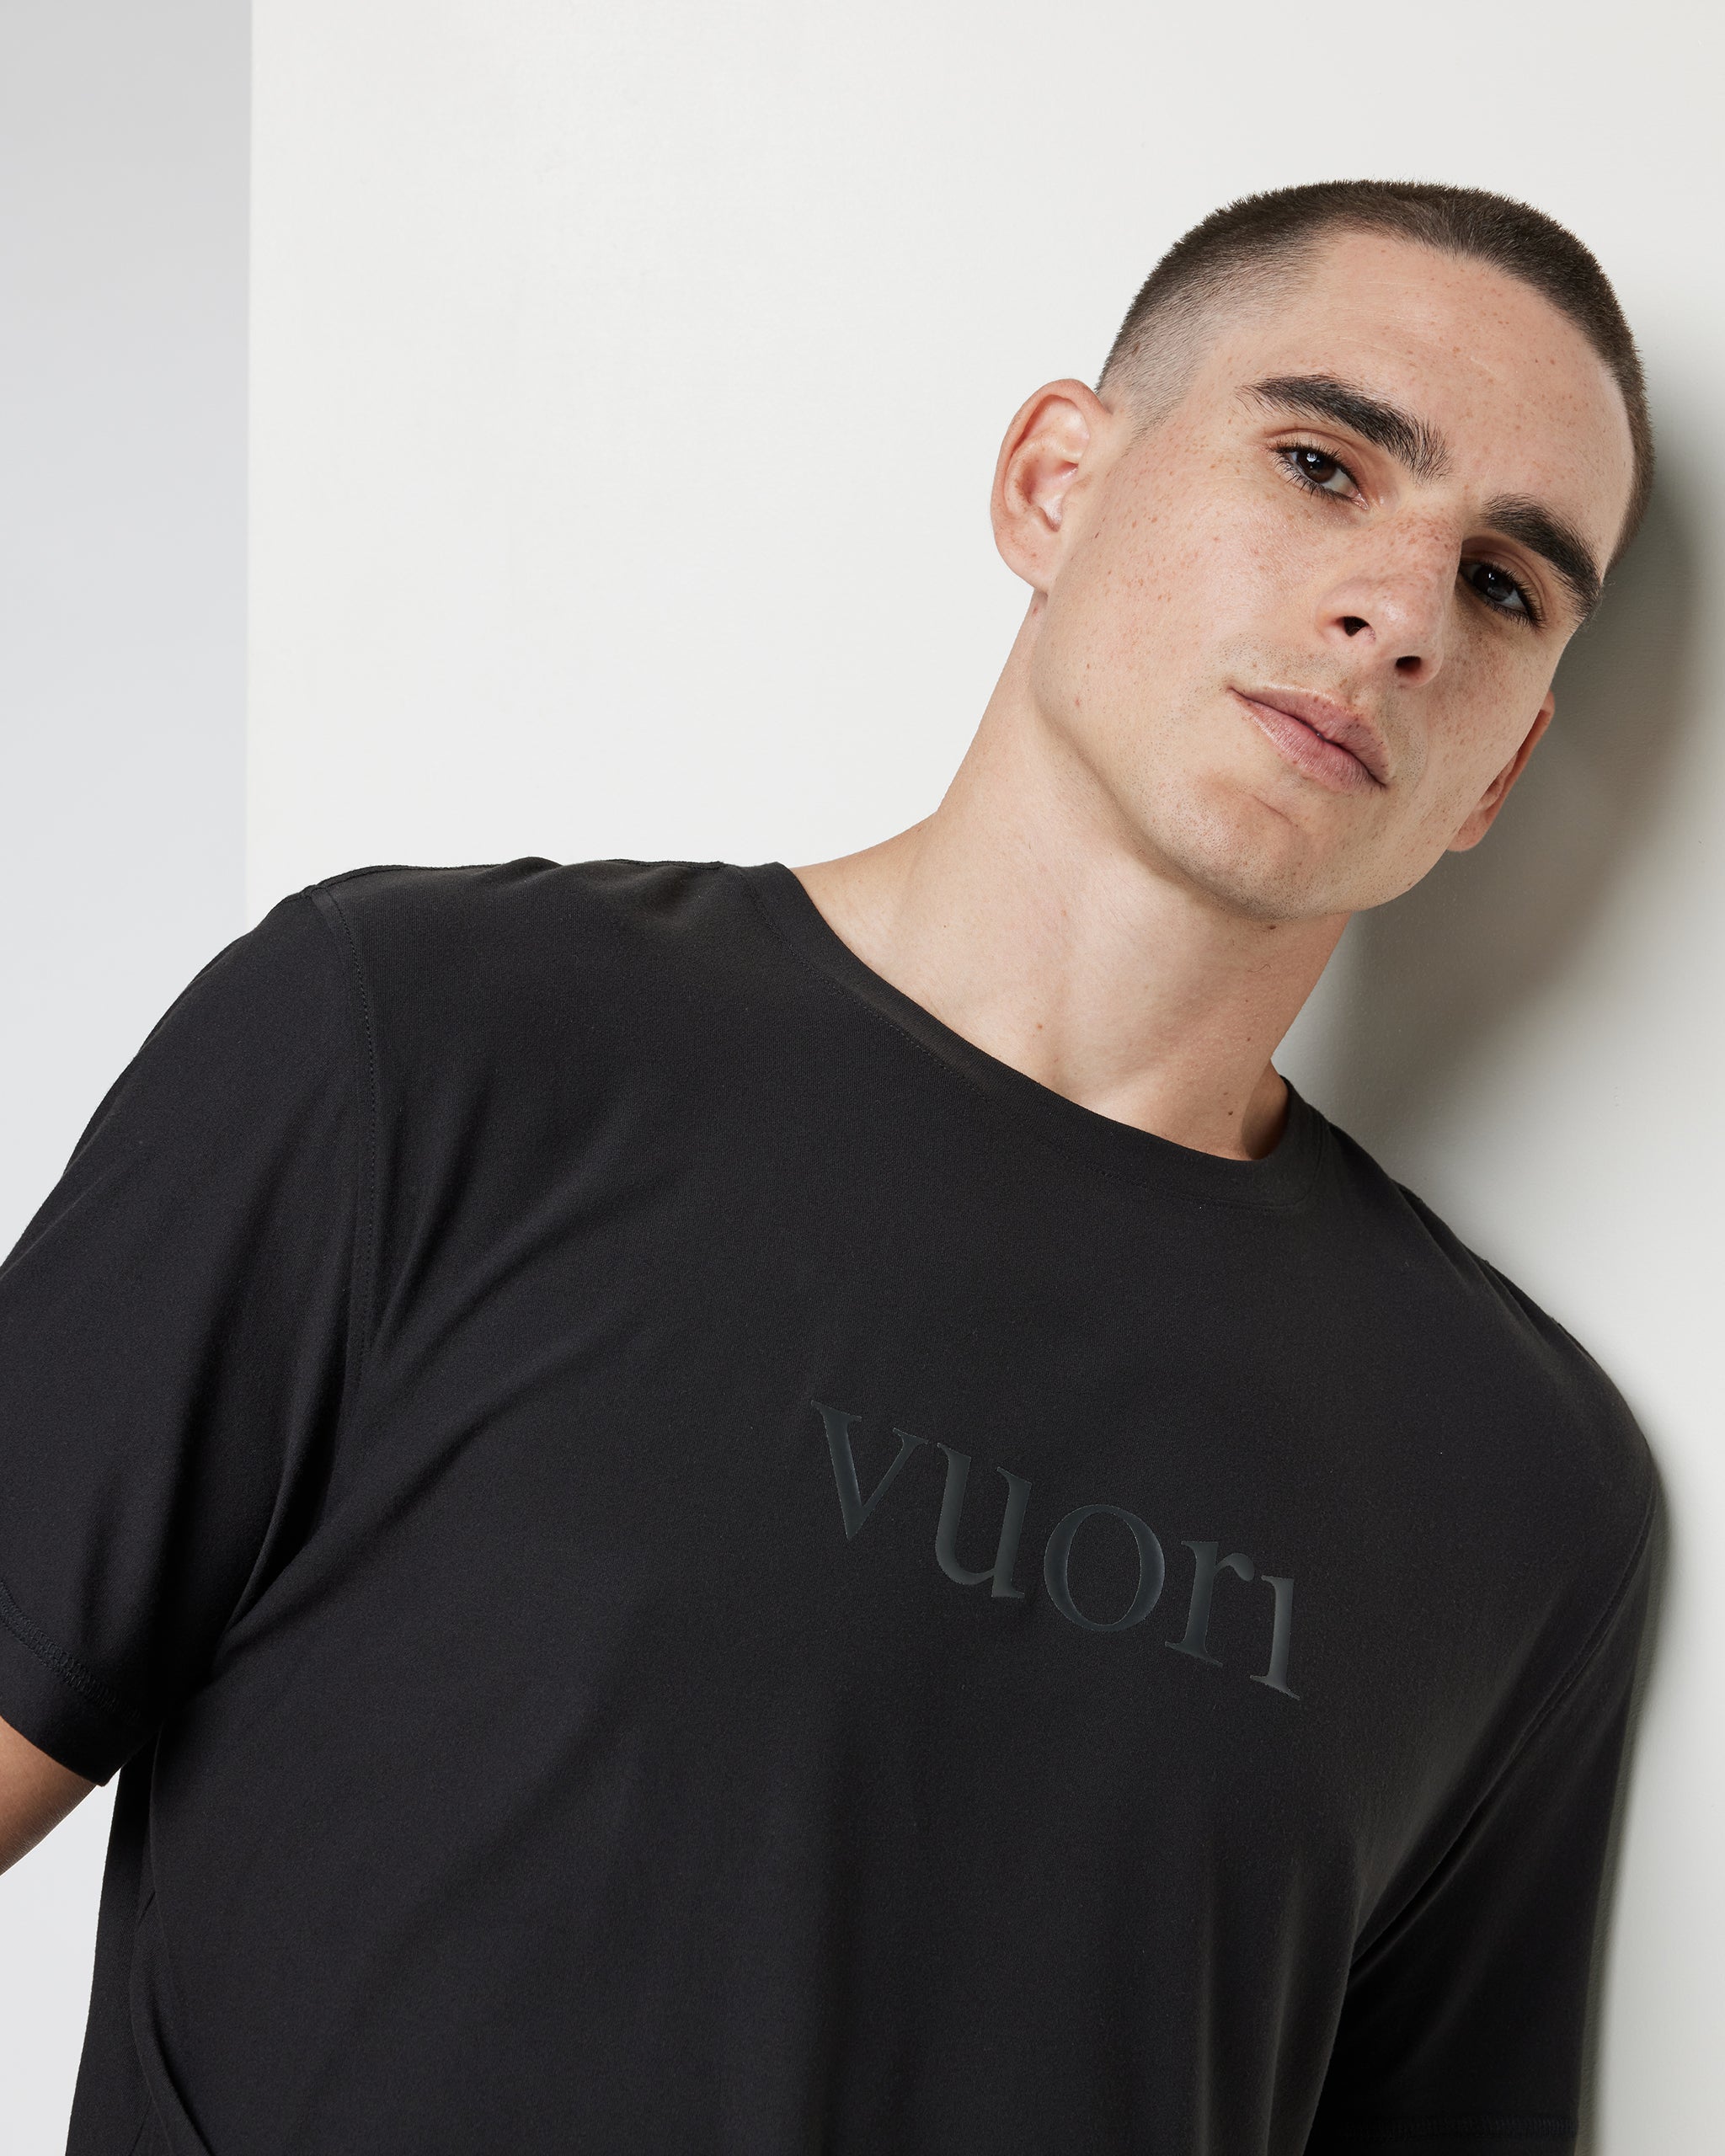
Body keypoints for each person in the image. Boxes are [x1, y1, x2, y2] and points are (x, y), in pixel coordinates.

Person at [0, 179, 1657, 2155]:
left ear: (1502, 770)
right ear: (1053, 483)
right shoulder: (423, 1043)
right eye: (1320, 465)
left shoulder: (1515, 1481)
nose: (1399, 611)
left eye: (1503, 585)